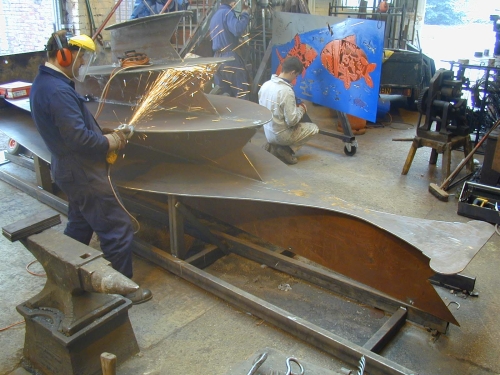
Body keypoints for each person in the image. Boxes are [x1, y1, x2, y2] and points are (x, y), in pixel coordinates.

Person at [29, 30, 152, 304]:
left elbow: (72, 131)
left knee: (79, 226)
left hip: (67, 169)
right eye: (81, 57)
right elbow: (80, 141)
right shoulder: (59, 91)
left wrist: (101, 132)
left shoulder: (44, 83)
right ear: (63, 55)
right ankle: (122, 293)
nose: (83, 63)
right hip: (83, 172)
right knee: (117, 230)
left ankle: (69, 279)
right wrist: (113, 140)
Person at [258, 56, 319, 164]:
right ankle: (285, 150)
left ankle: (272, 145)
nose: (295, 78)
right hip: (280, 135)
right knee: (313, 128)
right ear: (292, 72)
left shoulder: (265, 85)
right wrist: (301, 109)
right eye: (296, 75)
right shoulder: (286, 91)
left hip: (267, 131)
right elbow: (292, 121)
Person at [209, 0, 251, 99]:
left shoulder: (214, 17)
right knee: (241, 96)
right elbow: (237, 29)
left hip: (217, 61)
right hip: (230, 59)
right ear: (233, 3)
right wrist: (245, 14)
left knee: (224, 98)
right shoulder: (228, 13)